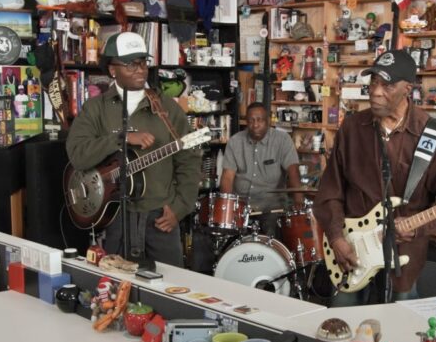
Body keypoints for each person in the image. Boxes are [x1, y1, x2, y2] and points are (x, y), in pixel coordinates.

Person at [313, 50, 436, 306]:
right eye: (373, 82)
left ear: (408, 89)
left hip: (403, 255)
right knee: (343, 319)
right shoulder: (352, 128)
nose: (375, 92)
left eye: (387, 85)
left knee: (398, 322)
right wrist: (337, 237)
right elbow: (331, 190)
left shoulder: (432, 135)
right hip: (351, 247)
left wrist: (418, 228)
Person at [66, 31, 201, 267]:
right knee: (115, 283)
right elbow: (78, 154)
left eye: (143, 63)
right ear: (112, 70)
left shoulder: (167, 108)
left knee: (170, 284)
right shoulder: (95, 109)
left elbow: (189, 159)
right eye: (131, 64)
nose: (140, 70)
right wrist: (122, 138)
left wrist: (180, 208)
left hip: (160, 216)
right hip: (115, 216)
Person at [219, 103, 303, 237]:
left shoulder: (282, 140)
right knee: (224, 237)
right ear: (246, 122)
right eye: (251, 120)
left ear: (268, 121)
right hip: (241, 207)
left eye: (260, 120)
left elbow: (293, 171)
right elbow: (227, 178)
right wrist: (227, 207)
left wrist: (298, 201)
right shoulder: (235, 142)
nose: (255, 125)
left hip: (271, 208)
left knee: (270, 232)